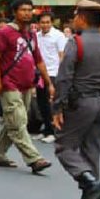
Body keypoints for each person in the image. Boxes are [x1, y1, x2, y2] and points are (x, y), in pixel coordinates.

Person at [52, 0, 100, 199]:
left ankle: (90, 182)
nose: (74, 20)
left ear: (83, 19)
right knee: (92, 148)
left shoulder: (77, 42)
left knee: (64, 146)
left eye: (76, 16)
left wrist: (57, 107)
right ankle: (89, 198)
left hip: (82, 103)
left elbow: (64, 77)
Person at [0, 0, 54, 174]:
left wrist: (49, 83)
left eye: (29, 10)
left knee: (12, 120)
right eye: (23, 10)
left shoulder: (31, 34)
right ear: (15, 12)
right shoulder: (4, 32)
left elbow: (38, 60)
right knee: (18, 122)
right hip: (9, 84)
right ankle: (34, 159)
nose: (27, 13)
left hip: (27, 84)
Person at [36, 13, 67, 144]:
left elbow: (62, 55)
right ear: (39, 23)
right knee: (41, 103)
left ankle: (54, 132)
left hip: (54, 73)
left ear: (52, 22)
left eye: (48, 22)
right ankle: (46, 129)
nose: (45, 25)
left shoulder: (58, 36)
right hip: (39, 73)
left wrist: (61, 75)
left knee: (52, 104)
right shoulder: (36, 36)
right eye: (43, 22)